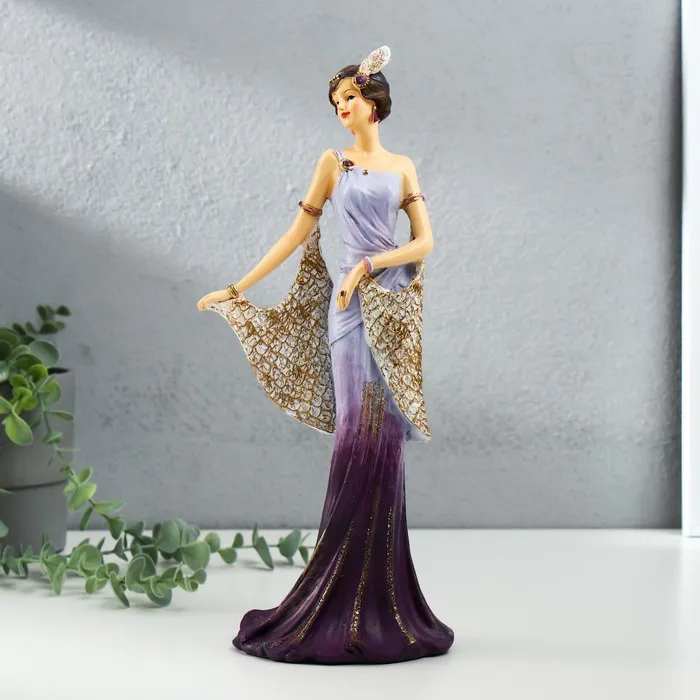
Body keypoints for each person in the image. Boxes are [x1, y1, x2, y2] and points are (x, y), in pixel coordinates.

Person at [196, 45, 454, 664]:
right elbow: (297, 234)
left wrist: (367, 265)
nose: (342, 108)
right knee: (355, 434)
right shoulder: (332, 163)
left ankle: (385, 603)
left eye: (349, 97)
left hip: (389, 306)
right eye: (336, 101)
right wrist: (238, 287)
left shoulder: (402, 166)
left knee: (385, 440)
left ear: (373, 102)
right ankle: (334, 598)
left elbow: (425, 243)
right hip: (348, 310)